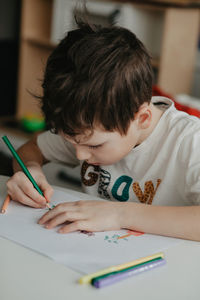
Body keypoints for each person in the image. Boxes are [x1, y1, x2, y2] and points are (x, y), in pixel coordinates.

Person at [7, 21, 200, 241]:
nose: (80, 155)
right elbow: (31, 149)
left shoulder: (190, 141)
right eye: (71, 142)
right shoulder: (86, 126)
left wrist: (119, 214)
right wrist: (29, 170)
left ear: (142, 118)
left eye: (94, 146)